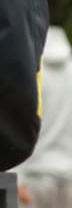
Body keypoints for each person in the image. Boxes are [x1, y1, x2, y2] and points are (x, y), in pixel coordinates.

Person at [15, 26, 72, 207]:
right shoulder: (69, 68)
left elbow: (19, 122)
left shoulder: (30, 69)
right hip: (68, 176)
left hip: (31, 180)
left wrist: (15, 175)